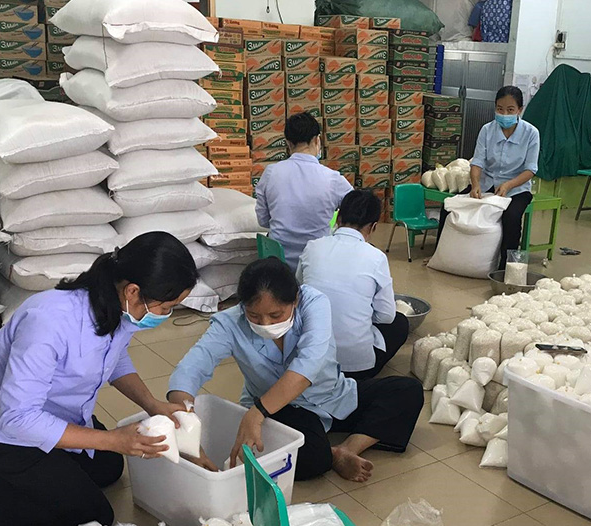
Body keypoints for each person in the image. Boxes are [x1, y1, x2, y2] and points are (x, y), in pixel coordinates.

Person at [0, 233, 200, 526]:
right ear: (133, 291)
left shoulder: (115, 306)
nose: (165, 316)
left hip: (55, 416)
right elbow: (18, 418)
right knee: (91, 518)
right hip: (4, 433)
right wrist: (110, 438)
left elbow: (114, 359)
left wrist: (152, 404)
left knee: (109, 466)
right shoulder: (49, 323)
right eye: (165, 307)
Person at [167, 257, 423, 484]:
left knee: (407, 391)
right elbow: (190, 369)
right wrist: (185, 425)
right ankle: (329, 455)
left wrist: (256, 413)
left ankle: (346, 449)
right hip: (283, 410)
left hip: (332, 395)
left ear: (296, 300)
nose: (265, 323)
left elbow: (307, 367)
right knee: (313, 460)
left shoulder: (314, 303)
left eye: (276, 315)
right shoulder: (230, 324)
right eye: (254, 316)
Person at [296, 189, 408, 380]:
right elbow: (386, 316)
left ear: (338, 217)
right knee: (399, 323)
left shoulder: (312, 247)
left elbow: (299, 291)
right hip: (356, 369)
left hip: (308, 363)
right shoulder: (376, 257)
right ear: (373, 227)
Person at [439, 85, 540, 268]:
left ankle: (506, 267)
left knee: (511, 217)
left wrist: (509, 185)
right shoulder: (487, 130)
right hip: (486, 184)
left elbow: (530, 169)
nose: (504, 114)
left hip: (516, 188)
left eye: (510, 110)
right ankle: (441, 254)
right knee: (449, 206)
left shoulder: (531, 134)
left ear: (520, 110)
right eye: (500, 109)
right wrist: (475, 184)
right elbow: (477, 162)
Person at [255, 111, 354, 271]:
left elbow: (263, 220)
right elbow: (357, 213)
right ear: (317, 140)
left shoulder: (271, 173)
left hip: (278, 265)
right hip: (318, 263)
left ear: (287, 143)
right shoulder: (333, 179)